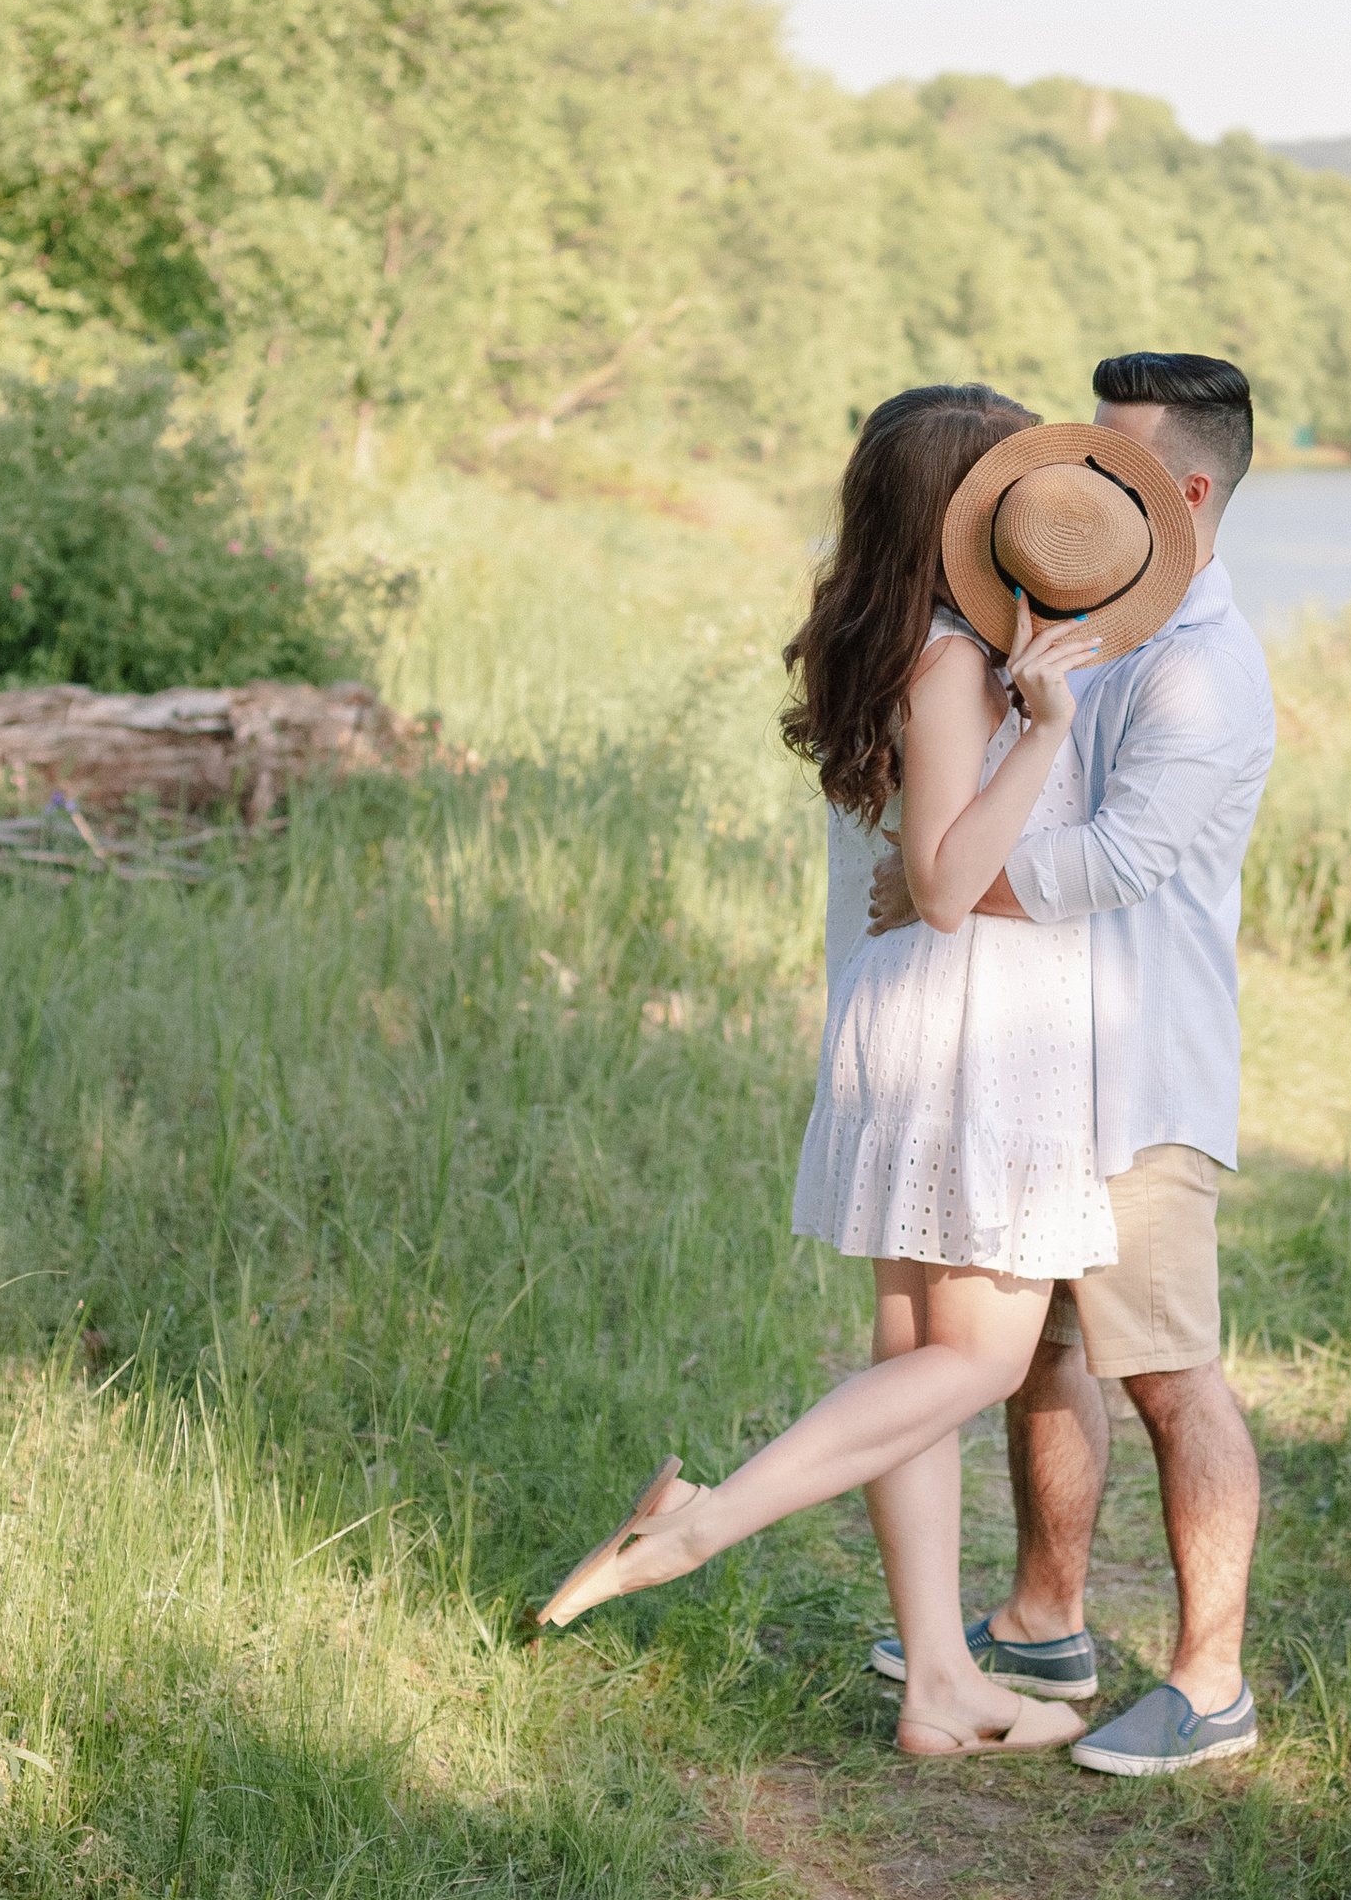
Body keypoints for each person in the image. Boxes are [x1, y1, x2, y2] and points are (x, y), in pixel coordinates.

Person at [534, 382, 1200, 1763]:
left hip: (906, 1029)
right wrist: (1055, 735)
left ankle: (942, 1681)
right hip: (977, 1034)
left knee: (913, 1356)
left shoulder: (879, 641)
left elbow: (918, 862)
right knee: (983, 1357)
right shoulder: (952, 665)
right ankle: (699, 1524)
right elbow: (953, 882)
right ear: (962, 515)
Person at [864, 353, 1276, 1776]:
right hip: (1041, 1060)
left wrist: (943, 877)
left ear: (1194, 490)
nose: (1079, 486)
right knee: (1036, 1355)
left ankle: (1211, 1686)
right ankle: (1044, 1622)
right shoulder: (1085, 610)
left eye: (1117, 465)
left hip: (1144, 1072)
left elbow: (1111, 865)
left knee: (1169, 1376)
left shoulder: (1207, 674)